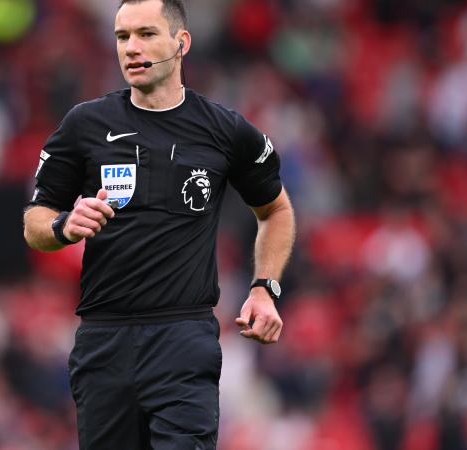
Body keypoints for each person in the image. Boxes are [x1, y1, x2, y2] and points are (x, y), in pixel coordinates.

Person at [23, 0, 295, 448]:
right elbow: (36, 220)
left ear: (181, 43)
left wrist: (265, 288)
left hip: (183, 337)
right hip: (103, 340)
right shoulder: (84, 125)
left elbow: (276, 210)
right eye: (122, 37)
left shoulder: (225, 130)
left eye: (146, 34)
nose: (131, 47)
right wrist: (63, 226)